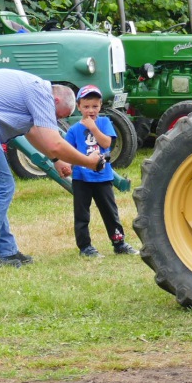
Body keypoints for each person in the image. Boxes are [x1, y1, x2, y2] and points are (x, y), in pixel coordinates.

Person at [0, 70, 111, 269]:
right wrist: (89, 162)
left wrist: (56, 160)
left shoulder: (31, 89)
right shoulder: (40, 92)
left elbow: (33, 132)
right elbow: (54, 143)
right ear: (56, 100)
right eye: (58, 116)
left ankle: (7, 251)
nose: (54, 121)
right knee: (1, 188)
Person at [64, 85, 138, 258]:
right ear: (79, 106)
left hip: (103, 176)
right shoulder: (74, 129)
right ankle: (85, 247)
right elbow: (67, 151)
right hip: (81, 178)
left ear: (100, 106)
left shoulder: (104, 123)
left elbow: (106, 144)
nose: (91, 110)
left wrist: (93, 128)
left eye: (95, 106)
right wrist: (66, 165)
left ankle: (119, 243)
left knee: (110, 212)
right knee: (82, 214)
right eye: (86, 106)